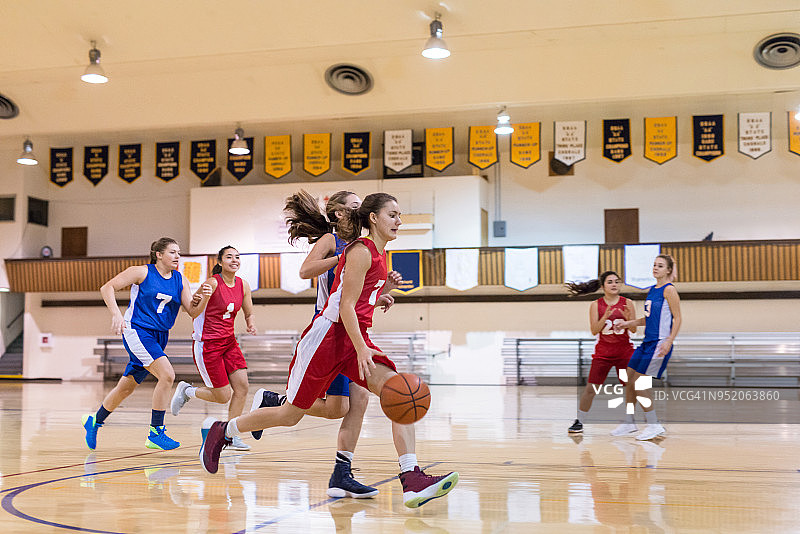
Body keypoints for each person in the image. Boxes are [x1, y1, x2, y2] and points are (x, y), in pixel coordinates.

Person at [200, 193, 459, 509]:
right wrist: (363, 348)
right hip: (327, 339)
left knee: (400, 392)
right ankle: (223, 430)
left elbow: (356, 299)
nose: (399, 221)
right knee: (291, 414)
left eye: (400, 215)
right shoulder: (361, 252)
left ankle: (412, 478)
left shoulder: (377, 254)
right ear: (374, 218)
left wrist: (382, 294)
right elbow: (345, 306)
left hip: (353, 338)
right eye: (393, 214)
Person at [252, 189, 399, 499]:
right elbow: (305, 271)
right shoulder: (336, 242)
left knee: (340, 407)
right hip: (330, 328)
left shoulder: (369, 247)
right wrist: (341, 256)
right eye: (355, 205)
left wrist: (381, 291)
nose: (361, 209)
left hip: (351, 329)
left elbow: (357, 295)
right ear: (340, 213)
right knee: (340, 406)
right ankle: (277, 407)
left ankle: (341, 473)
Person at [82, 237, 196, 451]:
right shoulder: (142, 272)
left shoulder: (180, 280)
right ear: (159, 255)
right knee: (167, 375)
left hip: (160, 336)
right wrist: (116, 313)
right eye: (172, 252)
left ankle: (95, 421)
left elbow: (192, 310)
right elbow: (107, 287)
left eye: (179, 252)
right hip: (137, 331)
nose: (177, 256)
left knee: (126, 388)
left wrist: (205, 298)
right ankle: (156, 432)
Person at [170, 245, 257, 452]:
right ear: (219, 262)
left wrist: (250, 322)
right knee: (222, 395)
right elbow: (191, 311)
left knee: (243, 387)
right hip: (208, 345)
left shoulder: (243, 285)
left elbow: (248, 311)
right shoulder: (211, 283)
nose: (234, 260)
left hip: (229, 342)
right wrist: (203, 296)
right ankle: (188, 391)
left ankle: (231, 434)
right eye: (229, 257)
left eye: (237, 257)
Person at [611, 254, 682, 441]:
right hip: (646, 342)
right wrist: (628, 323)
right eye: (654, 265)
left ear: (668, 270)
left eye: (660, 265)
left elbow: (678, 318)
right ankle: (629, 421)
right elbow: (649, 318)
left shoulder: (669, 290)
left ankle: (654, 425)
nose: (655, 268)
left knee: (639, 383)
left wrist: (669, 340)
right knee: (629, 376)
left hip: (659, 343)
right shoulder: (652, 290)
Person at [565, 271, 636, 434]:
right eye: (610, 282)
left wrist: (626, 320)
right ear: (603, 286)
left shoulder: (628, 303)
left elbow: (633, 329)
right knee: (591, 388)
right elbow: (594, 330)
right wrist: (605, 317)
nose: (614, 285)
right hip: (603, 353)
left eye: (617, 282)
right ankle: (580, 421)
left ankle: (630, 420)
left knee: (631, 385)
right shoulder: (596, 305)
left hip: (624, 351)